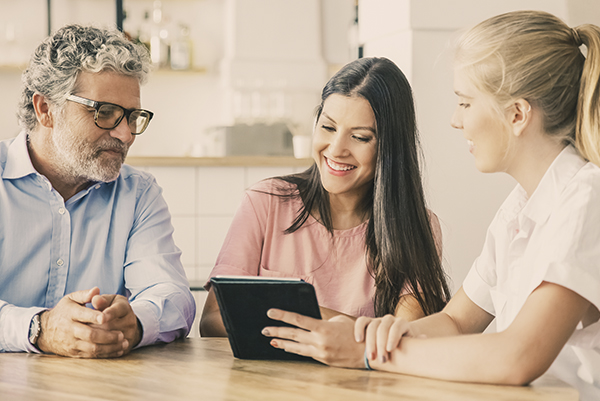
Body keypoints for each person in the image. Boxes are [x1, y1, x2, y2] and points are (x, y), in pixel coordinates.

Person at [260, 10, 600, 400]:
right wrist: (378, 333)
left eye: (466, 103)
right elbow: (456, 321)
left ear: (517, 114)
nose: (456, 121)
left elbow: (517, 357)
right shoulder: (518, 209)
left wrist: (368, 354)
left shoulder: (587, 200)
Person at [200, 57, 451, 337]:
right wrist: (343, 326)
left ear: (390, 147)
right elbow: (213, 320)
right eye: (328, 128)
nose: (336, 149)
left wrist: (287, 311)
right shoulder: (265, 202)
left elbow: (405, 334)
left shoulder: (417, 227)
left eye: (360, 137)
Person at [0, 25, 196, 358]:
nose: (126, 135)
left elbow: (173, 296)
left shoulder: (138, 194)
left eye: (133, 117)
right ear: (45, 109)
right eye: (104, 113)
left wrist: (135, 322)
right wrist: (40, 329)